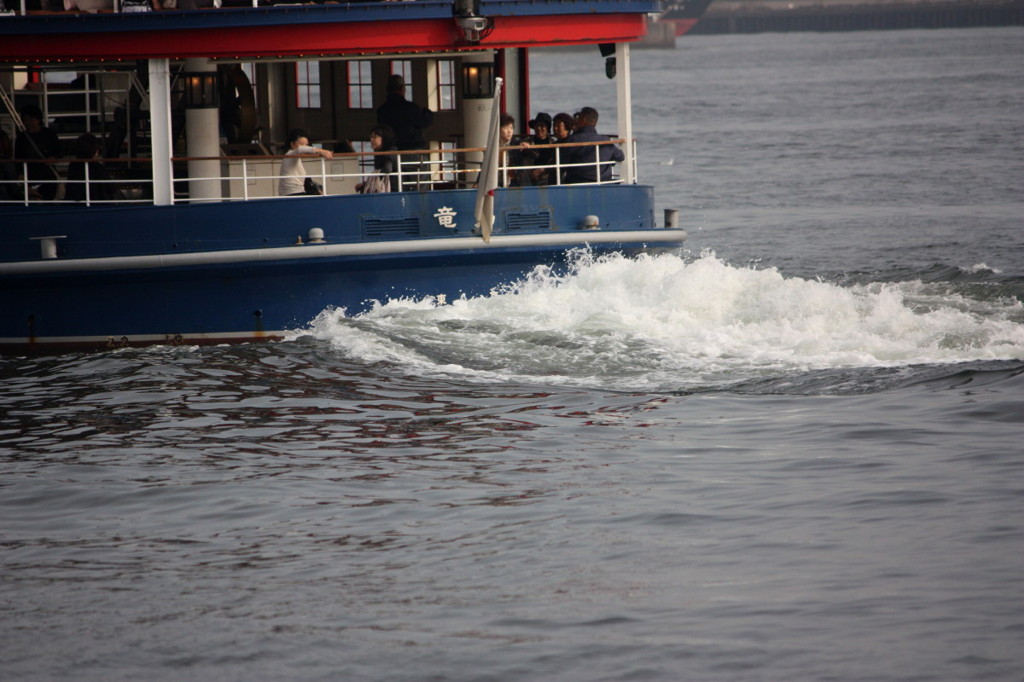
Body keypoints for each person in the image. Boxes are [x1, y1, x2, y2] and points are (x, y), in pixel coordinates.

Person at [561, 106, 624, 184]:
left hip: (577, 183)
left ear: (583, 119)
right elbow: (620, 156)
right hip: (604, 184)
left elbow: (561, 163)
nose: (576, 121)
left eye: (578, 118)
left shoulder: (573, 140)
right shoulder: (605, 141)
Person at [15, 104, 63, 201]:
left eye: (31, 120)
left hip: (47, 176)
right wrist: (20, 173)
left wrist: (53, 158)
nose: (28, 123)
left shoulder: (49, 134)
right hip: (28, 176)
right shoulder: (22, 137)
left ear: (38, 119)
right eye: (25, 120)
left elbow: (59, 151)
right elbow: (18, 157)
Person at [376, 74, 434, 152]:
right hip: (412, 149)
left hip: (390, 151)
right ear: (402, 88)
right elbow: (424, 122)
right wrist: (428, 113)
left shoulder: (381, 110)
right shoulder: (410, 108)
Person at [278, 129, 333, 196]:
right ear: (292, 144)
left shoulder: (294, 158)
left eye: (306, 145)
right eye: (301, 144)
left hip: (294, 192)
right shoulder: (290, 154)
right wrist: (322, 151)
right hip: (292, 193)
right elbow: (300, 149)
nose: (305, 147)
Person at [66, 133, 113, 204]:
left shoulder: (73, 166)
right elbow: (111, 188)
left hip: (76, 203)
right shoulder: (98, 167)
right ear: (94, 150)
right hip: (98, 204)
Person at [356, 124, 398, 193]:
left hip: (390, 190)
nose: (371, 140)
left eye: (374, 137)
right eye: (370, 137)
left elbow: (387, 169)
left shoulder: (387, 153)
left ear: (384, 138)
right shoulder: (384, 152)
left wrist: (370, 183)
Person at [519, 112, 556, 186]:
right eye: (537, 125)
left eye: (542, 126)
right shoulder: (527, 141)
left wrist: (542, 171)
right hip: (528, 178)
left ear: (547, 128)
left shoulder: (553, 143)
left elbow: (554, 162)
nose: (539, 128)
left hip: (547, 177)